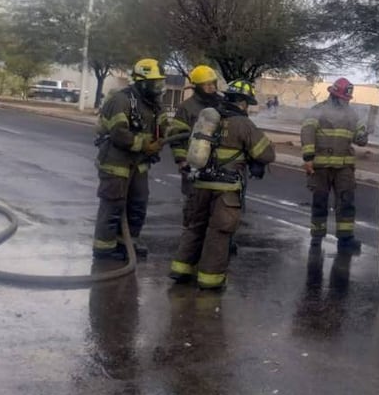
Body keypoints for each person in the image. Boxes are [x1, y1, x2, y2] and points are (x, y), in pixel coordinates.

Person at [169, 80, 275, 290]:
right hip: (225, 190)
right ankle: (211, 280)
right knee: (219, 232)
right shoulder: (242, 124)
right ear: (244, 103)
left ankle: (181, 270)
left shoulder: (208, 117)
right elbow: (266, 154)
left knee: (195, 227)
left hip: (200, 183)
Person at [92, 58, 166, 260]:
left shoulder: (153, 104)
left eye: (160, 83)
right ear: (141, 82)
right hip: (116, 163)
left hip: (139, 163)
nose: (159, 87)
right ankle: (104, 247)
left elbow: (165, 126)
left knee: (138, 203)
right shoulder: (121, 100)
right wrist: (145, 144)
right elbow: (118, 133)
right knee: (113, 204)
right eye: (155, 83)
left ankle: (128, 242)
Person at [301, 78, 368, 252]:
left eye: (347, 99)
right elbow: (307, 132)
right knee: (320, 201)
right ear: (334, 95)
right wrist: (308, 158)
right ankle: (317, 237)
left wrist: (362, 135)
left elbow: (360, 136)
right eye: (343, 98)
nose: (346, 101)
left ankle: (345, 239)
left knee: (346, 202)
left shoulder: (352, 114)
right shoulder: (318, 111)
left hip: (344, 167)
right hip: (321, 166)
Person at [165, 65, 222, 223]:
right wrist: (182, 161)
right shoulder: (186, 107)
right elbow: (176, 136)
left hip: (218, 165)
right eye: (206, 84)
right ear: (197, 86)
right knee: (194, 209)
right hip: (194, 164)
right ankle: (190, 238)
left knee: (218, 210)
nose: (211, 88)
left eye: (213, 83)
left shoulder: (222, 105)